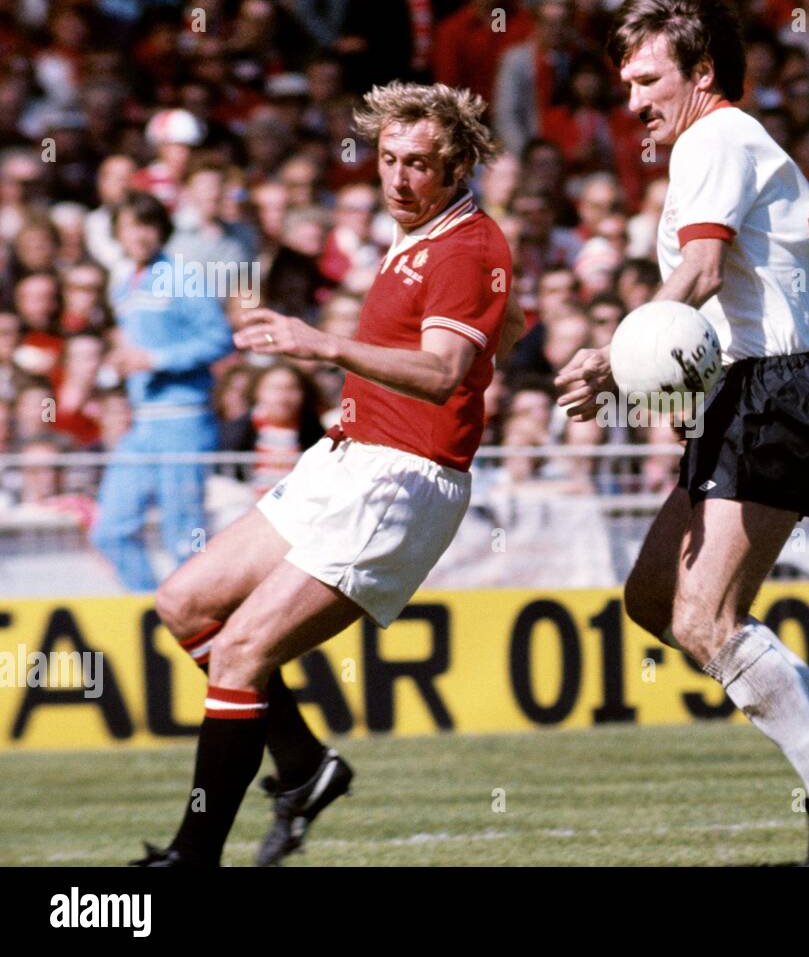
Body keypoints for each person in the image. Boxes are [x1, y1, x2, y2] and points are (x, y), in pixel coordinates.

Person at [133, 81, 525, 867]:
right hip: (349, 458)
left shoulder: (466, 244)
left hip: (401, 482)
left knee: (243, 651)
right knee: (184, 605)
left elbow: (448, 368)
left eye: (419, 164)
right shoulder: (421, 234)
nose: (398, 178)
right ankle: (308, 766)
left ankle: (193, 856)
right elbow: (507, 326)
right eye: (387, 159)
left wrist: (330, 348)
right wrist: (391, 390)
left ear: (457, 170)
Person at [555, 0, 809, 868]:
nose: (633, 104)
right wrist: (648, 381)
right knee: (654, 600)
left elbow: (699, 273)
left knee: (706, 617)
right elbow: (710, 300)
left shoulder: (717, 135)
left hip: (774, 390)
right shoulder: (716, 142)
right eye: (625, 86)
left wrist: (612, 353)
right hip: (748, 392)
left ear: (700, 72)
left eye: (647, 83)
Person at [90, 191, 233, 592]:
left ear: (161, 230)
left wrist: (156, 359)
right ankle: (154, 613)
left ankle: (196, 628)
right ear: (117, 233)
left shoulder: (180, 275)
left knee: (184, 539)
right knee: (111, 531)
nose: (139, 235)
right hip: (142, 424)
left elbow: (220, 339)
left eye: (147, 225)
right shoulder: (124, 284)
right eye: (130, 226)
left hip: (183, 420)